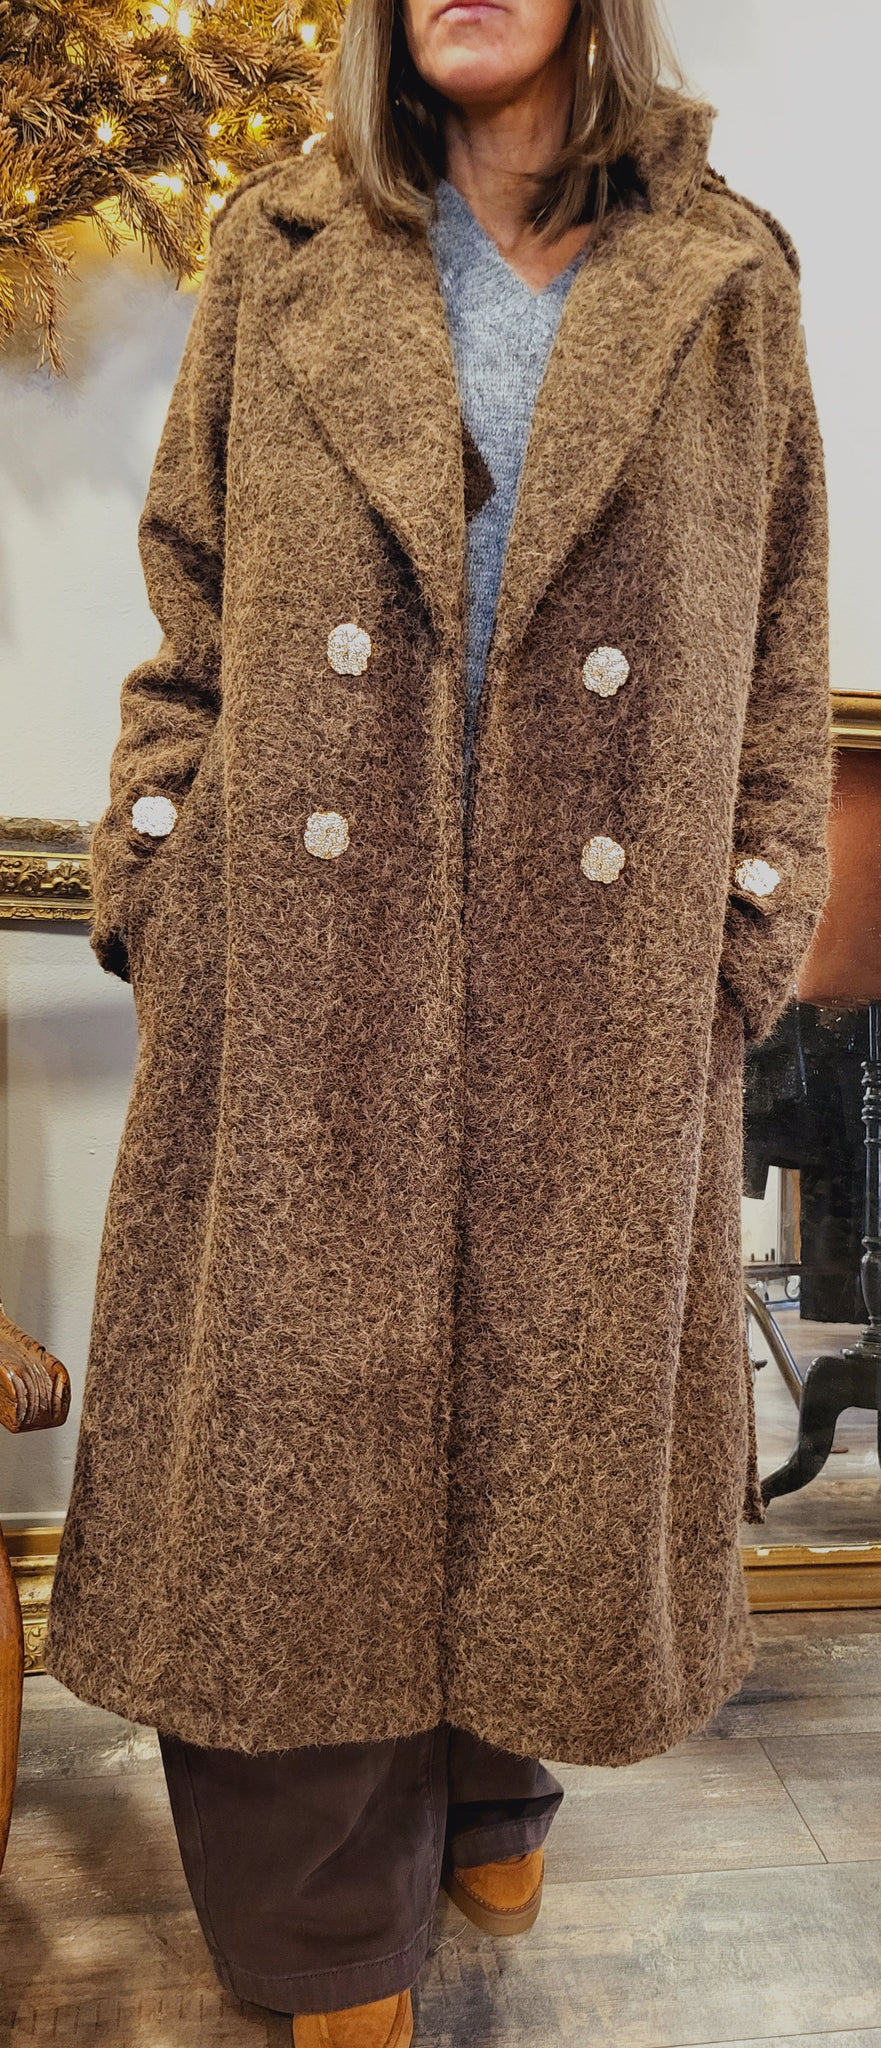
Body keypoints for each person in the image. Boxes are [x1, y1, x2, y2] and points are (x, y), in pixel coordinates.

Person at [44, 1, 832, 2042]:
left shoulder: (725, 273)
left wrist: (737, 943)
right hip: (306, 953)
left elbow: (779, 651)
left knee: (547, 1415)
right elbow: (192, 597)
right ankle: (327, 1928)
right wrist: (165, 877)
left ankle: (495, 1770)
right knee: (290, 1446)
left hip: (603, 973)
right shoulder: (284, 241)